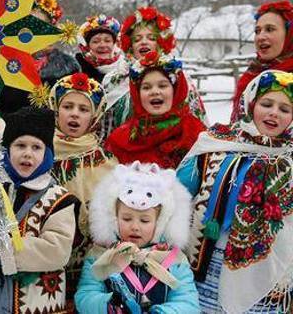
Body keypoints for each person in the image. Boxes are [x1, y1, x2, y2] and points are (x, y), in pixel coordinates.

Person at [177, 69, 293, 313]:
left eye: (285, 109)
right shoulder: (216, 143)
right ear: (250, 104)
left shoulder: (290, 161)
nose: (274, 112)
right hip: (206, 261)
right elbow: (177, 193)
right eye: (267, 103)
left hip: (267, 272)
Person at [0, 106, 79, 313]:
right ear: (7, 150)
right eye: (20, 145)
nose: (27, 154)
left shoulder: (59, 199)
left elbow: (57, 250)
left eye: (36, 147)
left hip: (38, 305)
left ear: (47, 153)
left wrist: (1, 246)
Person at [75, 161, 200, 313]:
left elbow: (188, 302)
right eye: (127, 219)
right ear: (114, 218)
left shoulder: (174, 260)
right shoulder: (100, 255)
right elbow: (85, 295)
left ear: (160, 222)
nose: (135, 226)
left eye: (144, 220)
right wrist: (108, 306)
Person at [49, 72, 117, 308]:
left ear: (95, 116)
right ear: (57, 110)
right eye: (68, 106)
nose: (75, 113)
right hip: (48, 266)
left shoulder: (108, 163)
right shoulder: (39, 153)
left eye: (84, 109)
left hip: (91, 269)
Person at [102, 6, 207, 137]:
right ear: (130, 45)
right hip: (126, 149)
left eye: (151, 38)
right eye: (137, 39)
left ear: (161, 43)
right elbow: (104, 125)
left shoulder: (179, 77)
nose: (143, 42)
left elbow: (197, 121)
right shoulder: (114, 79)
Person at [106, 55, 206, 170]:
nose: (155, 92)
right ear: (137, 94)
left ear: (176, 90)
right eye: (146, 87)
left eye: (162, 86)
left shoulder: (195, 134)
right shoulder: (119, 140)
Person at [0, 0, 79, 116]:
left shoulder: (67, 68)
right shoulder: (0, 59)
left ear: (49, 29)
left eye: (39, 24)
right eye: (27, 22)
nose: (32, 29)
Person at [231, 0, 293, 122]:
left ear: (289, 35)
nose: (260, 36)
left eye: (269, 29)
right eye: (257, 31)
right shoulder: (252, 74)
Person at [75, 14, 122, 83]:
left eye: (107, 41)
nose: (102, 45)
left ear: (114, 44)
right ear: (87, 47)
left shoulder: (126, 68)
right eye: (96, 41)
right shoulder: (77, 70)